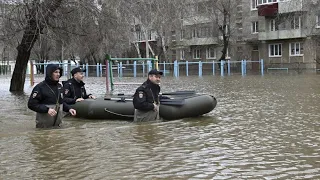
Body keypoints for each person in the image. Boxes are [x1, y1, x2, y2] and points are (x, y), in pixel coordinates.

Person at [28, 64, 77, 128]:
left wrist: (69, 109)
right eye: (56, 72)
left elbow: (60, 102)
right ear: (50, 73)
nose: (58, 74)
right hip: (43, 128)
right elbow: (31, 104)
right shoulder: (40, 87)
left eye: (59, 72)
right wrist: (47, 109)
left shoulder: (59, 86)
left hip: (57, 126)